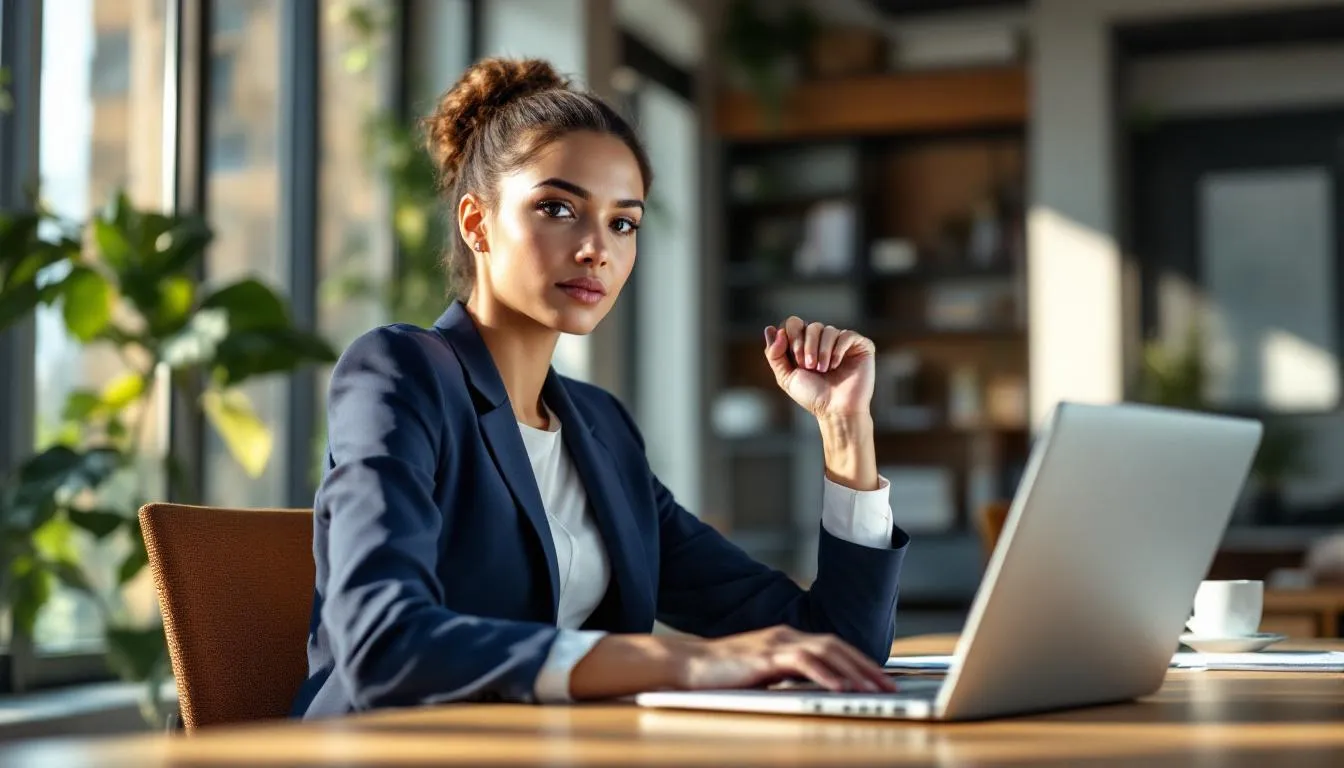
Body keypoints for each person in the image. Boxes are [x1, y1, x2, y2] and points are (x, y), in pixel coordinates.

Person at [291, 57, 910, 719]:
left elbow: (841, 647)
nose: (597, 248)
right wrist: (677, 662)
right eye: (558, 208)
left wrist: (845, 429)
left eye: (623, 222)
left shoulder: (601, 428)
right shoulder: (400, 373)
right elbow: (382, 642)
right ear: (476, 224)